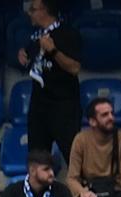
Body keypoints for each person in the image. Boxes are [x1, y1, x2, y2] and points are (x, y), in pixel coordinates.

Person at [16, 0, 81, 168]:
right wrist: (23, 56)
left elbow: (74, 68)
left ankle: (81, 193)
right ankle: (38, 194)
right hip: (39, 106)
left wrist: (53, 50)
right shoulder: (36, 36)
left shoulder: (67, 33)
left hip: (63, 107)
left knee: (73, 157)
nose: (29, 13)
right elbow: (31, 61)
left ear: (45, 10)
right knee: (37, 161)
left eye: (33, 9)